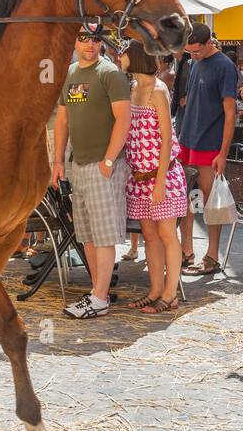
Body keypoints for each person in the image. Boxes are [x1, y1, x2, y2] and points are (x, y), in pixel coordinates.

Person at [52, 26, 133, 319]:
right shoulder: (71, 73)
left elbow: (124, 120)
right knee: (86, 234)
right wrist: (58, 160)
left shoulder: (110, 73)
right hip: (77, 165)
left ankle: (99, 298)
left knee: (103, 236)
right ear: (74, 39)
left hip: (103, 166)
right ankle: (96, 293)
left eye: (96, 39)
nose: (90, 44)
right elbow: (62, 121)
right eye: (84, 37)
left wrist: (109, 161)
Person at [123, 41, 187, 314]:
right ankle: (155, 290)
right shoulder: (134, 88)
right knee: (150, 234)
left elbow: (166, 140)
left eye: (123, 53)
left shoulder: (158, 91)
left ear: (135, 58)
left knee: (166, 234)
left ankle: (171, 295)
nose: (119, 57)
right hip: (140, 177)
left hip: (162, 175)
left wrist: (160, 181)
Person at [178, 22, 238, 277]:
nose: (192, 56)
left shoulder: (225, 66)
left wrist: (222, 152)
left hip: (210, 143)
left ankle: (212, 256)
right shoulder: (195, 63)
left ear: (208, 43)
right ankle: (186, 251)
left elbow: (230, 112)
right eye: (189, 52)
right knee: (183, 198)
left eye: (196, 51)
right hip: (187, 138)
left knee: (211, 202)